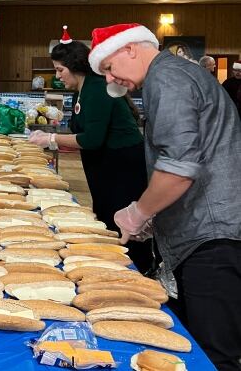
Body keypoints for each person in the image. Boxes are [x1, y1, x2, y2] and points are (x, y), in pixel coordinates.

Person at [88, 22, 241, 371]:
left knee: (212, 355)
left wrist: (138, 212)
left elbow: (179, 167)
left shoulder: (166, 78)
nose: (111, 82)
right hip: (206, 231)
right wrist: (154, 215)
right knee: (193, 347)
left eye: (109, 68)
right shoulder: (173, 75)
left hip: (212, 236)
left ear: (130, 49)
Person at [28, 25, 154, 273]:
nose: (58, 75)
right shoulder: (82, 90)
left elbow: (91, 139)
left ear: (75, 67)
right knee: (106, 213)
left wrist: (52, 138)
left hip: (121, 165)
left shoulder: (97, 87)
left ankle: (134, 269)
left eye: (60, 70)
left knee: (119, 219)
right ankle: (112, 265)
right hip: (104, 165)